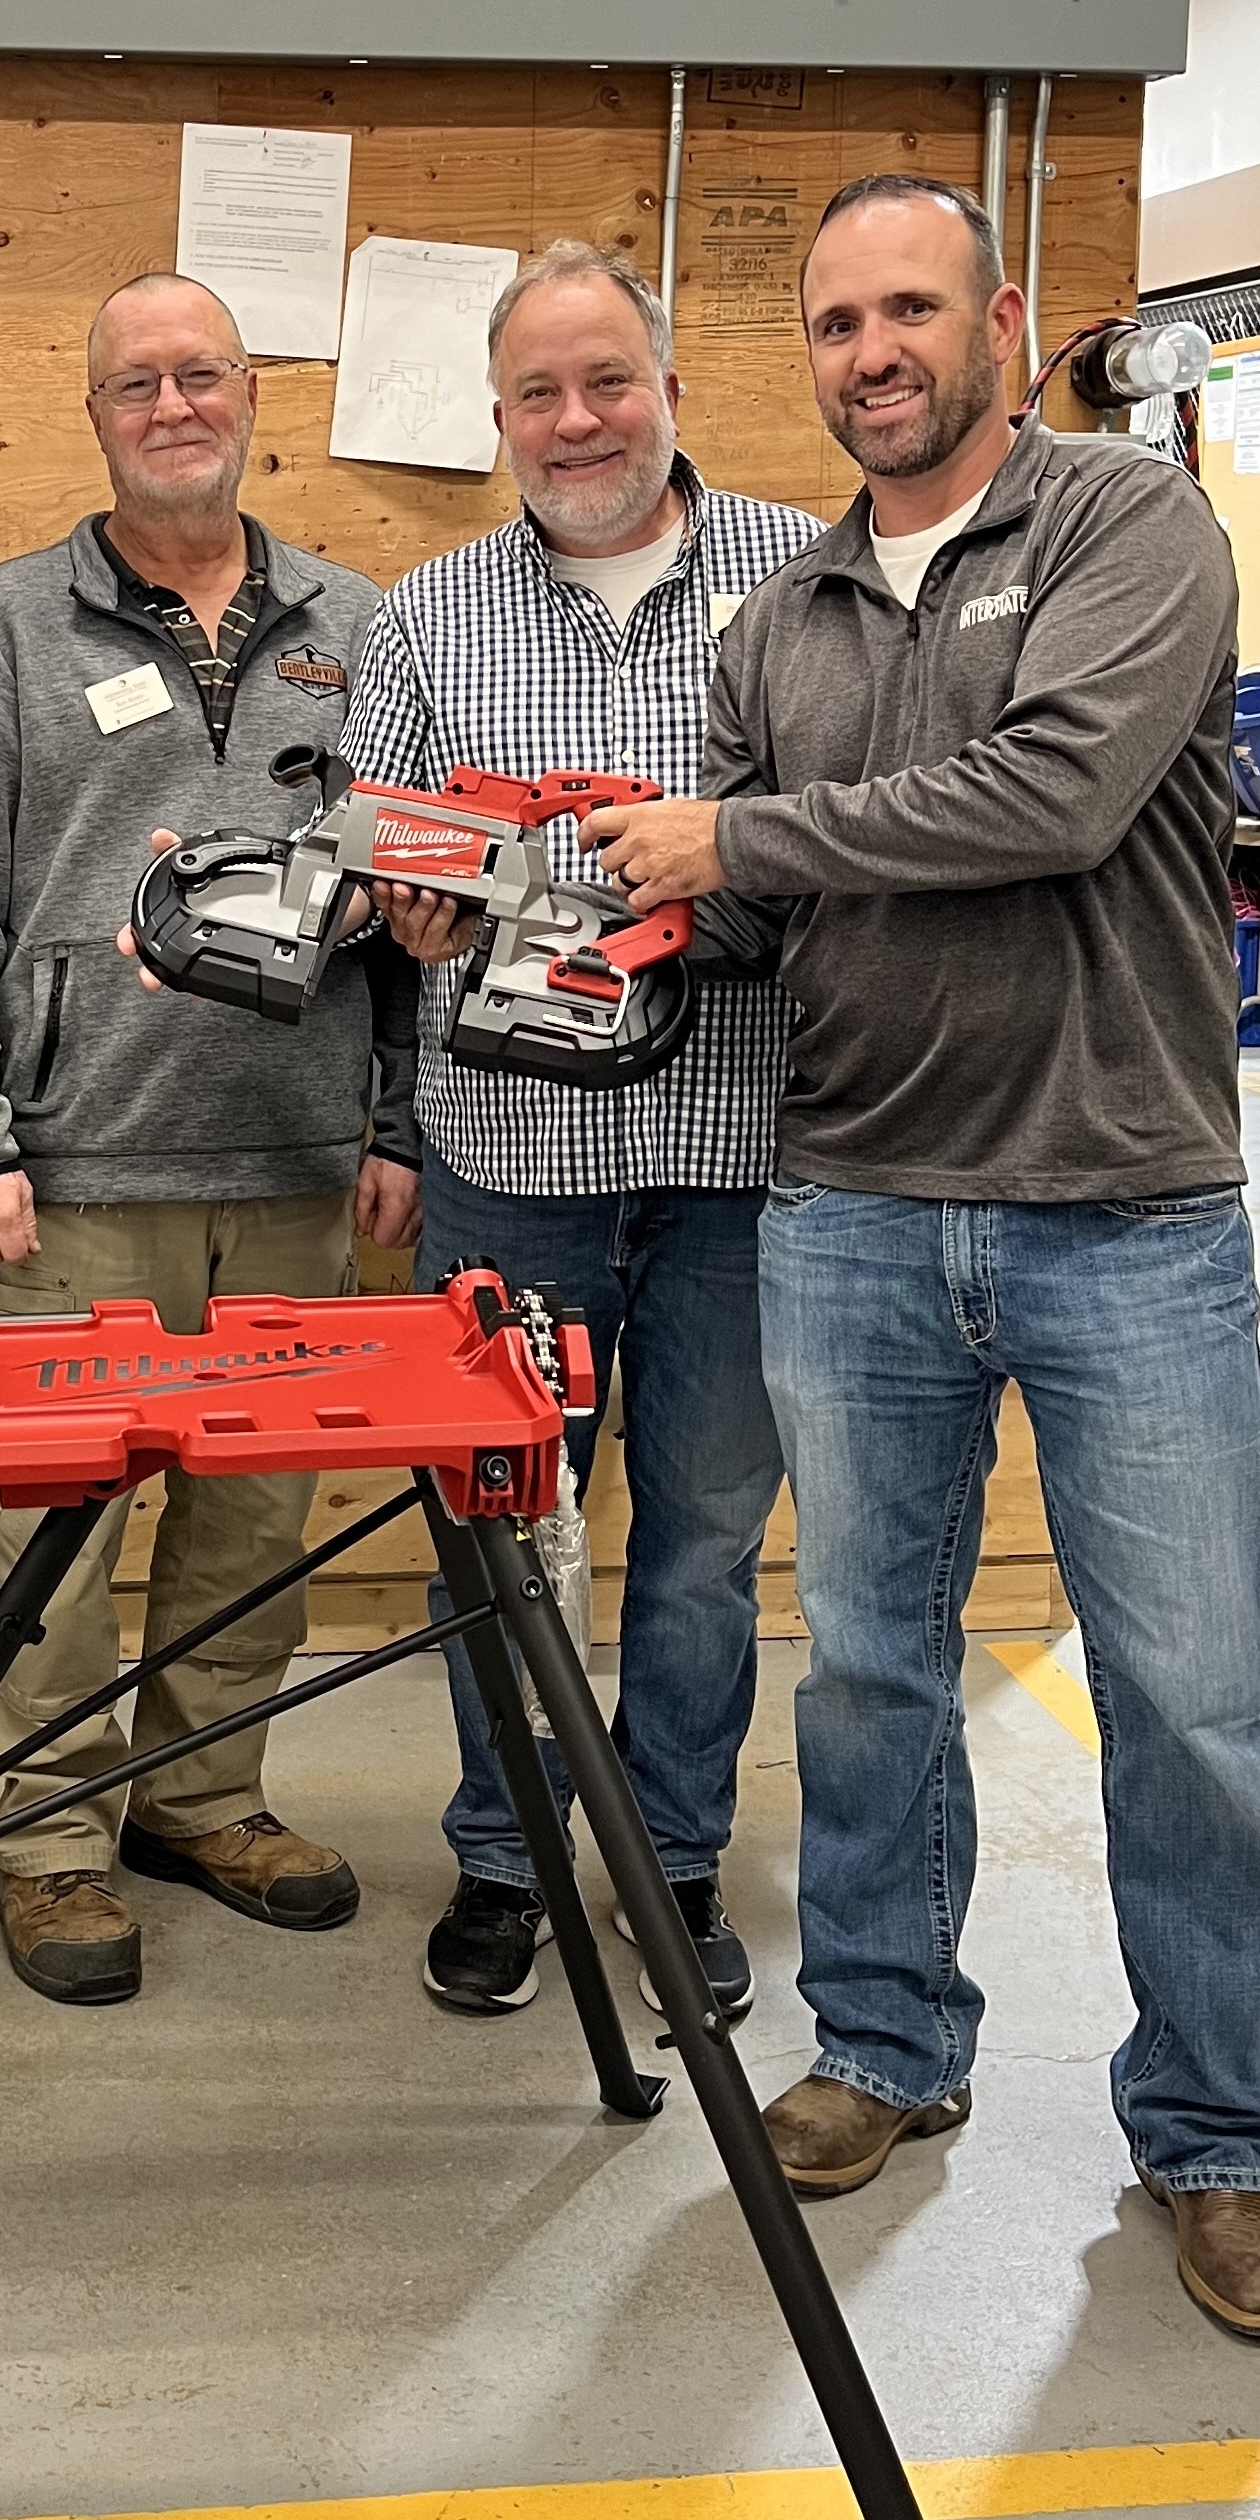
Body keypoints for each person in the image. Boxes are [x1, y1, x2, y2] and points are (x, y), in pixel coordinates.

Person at [586, 172, 1260, 2344]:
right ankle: (887, 2045)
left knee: (1192, 1695)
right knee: (879, 1665)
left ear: (999, 317)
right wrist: (548, 906)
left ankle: (1217, 2142)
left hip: (1126, 1208)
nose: (875, 351)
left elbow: (1059, 796)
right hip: (856, 1206)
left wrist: (733, 840)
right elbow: (733, 918)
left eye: (911, 308)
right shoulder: (778, 627)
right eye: (836, 323)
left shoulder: (1123, 530)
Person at [0, 275, 421, 2004]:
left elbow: (414, 884)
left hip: (289, 1164)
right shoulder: (7, 625)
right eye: (138, 381)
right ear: (97, 411)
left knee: (252, 1522)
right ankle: (45, 1835)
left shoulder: (362, 620)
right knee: (51, 1544)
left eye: (201, 374)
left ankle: (204, 1796)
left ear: (251, 394)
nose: (173, 403)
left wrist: (397, 1117)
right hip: (67, 1165)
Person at [342, 240, 820, 2022]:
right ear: (496, 423)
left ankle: (668, 1857)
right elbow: (383, 857)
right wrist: (416, 909)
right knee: (507, 1531)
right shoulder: (429, 612)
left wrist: (715, 862)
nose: (576, 419)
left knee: (700, 1538)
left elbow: (850, 832)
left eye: (607, 379)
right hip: (509, 1166)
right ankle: (511, 1856)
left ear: (671, 390)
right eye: (538, 393)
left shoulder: (800, 578)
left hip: (742, 1161)